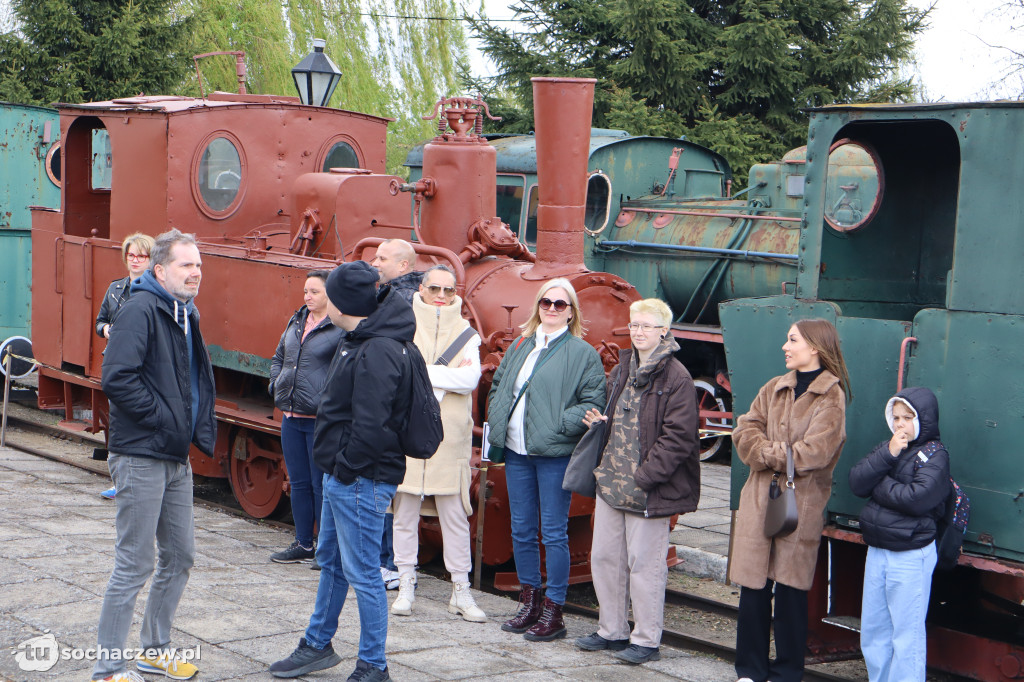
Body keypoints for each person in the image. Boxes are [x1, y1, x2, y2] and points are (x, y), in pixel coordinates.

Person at [270, 260, 416, 682]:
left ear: (342, 301)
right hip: (346, 474)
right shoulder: (362, 338)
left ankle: (374, 665)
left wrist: (346, 468)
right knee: (332, 562)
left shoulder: (377, 348)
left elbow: (372, 424)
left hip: (360, 478)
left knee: (363, 573)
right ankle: (317, 645)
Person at [93, 229, 216, 682]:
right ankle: (109, 668)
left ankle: (154, 652)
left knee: (180, 555)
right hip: (141, 453)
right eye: (186, 265)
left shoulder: (186, 312)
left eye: (198, 265)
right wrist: (166, 420)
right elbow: (117, 379)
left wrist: (187, 428)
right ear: (160, 271)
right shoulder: (140, 309)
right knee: (135, 562)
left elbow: (191, 381)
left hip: (173, 456)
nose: (196, 272)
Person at [574, 298, 700, 665]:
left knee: (645, 567)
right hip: (611, 483)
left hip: (648, 489)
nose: (638, 332)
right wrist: (600, 423)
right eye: (634, 325)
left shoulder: (677, 377)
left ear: (664, 330)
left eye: (646, 326)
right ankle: (611, 631)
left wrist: (645, 477)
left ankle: (646, 640)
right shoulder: (623, 367)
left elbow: (679, 439)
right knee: (605, 559)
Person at [730, 318, 850, 682]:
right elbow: (744, 430)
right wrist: (775, 452)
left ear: (814, 347)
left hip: (801, 504)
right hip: (760, 500)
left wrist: (768, 453)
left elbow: (816, 452)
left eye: (792, 339)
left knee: (790, 592)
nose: (785, 345)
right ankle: (749, 670)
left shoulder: (832, 395)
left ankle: (786, 672)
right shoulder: (774, 387)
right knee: (753, 588)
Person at [486, 278, 606, 642]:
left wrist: (559, 426)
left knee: (552, 532)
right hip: (518, 451)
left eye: (560, 304)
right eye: (546, 302)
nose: (552, 309)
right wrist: (499, 425)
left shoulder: (583, 353)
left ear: (572, 313)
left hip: (554, 454)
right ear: (537, 306)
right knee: (521, 529)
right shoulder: (521, 345)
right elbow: (498, 387)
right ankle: (529, 601)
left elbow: (593, 400)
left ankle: (554, 609)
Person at [390, 265, 487, 622]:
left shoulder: (465, 332)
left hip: (450, 440)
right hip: (408, 435)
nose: (442, 296)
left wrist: (423, 374)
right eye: (435, 289)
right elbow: (396, 374)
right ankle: (405, 586)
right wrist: (446, 378)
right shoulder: (403, 323)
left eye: (449, 290)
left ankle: (461, 591)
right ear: (422, 288)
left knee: (455, 517)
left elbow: (471, 377)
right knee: (405, 514)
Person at [849, 387, 949, 682]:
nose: (900, 424)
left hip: (910, 554)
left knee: (907, 639)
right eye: (896, 417)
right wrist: (888, 453)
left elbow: (917, 499)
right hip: (878, 551)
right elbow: (857, 481)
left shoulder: (936, 456)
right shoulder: (889, 448)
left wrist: (878, 486)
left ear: (923, 420)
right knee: (874, 633)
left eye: (908, 417)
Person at [268, 270, 344, 565]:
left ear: (330, 295)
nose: (307, 297)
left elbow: (342, 369)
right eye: (305, 292)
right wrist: (276, 384)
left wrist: (327, 400)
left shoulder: (338, 327)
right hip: (290, 415)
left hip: (318, 419)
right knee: (298, 482)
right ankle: (303, 543)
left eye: (314, 292)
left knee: (319, 484)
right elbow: (278, 357)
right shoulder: (296, 321)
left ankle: (325, 549)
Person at [370, 237, 421, 589]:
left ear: (403, 265)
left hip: (389, 404)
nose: (375, 262)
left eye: (382, 258)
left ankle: (387, 564)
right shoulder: (394, 295)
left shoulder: (398, 301)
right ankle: (386, 561)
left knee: (386, 487)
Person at [95, 232, 155, 500]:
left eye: (141, 256)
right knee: (117, 423)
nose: (135, 260)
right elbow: (99, 322)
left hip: (146, 366)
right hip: (117, 362)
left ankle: (144, 482)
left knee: (142, 421)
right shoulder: (115, 289)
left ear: (152, 260)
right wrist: (106, 328)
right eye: (131, 255)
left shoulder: (157, 292)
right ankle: (119, 482)